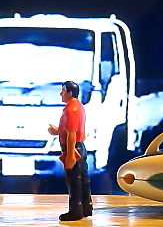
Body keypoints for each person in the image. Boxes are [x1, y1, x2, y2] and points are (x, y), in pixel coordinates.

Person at [47, 81, 92, 221]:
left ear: (70, 93)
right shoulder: (77, 106)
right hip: (78, 146)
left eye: (63, 91)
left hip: (73, 147)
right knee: (82, 179)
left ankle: (76, 210)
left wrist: (70, 154)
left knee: (74, 181)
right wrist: (57, 131)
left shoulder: (71, 109)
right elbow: (69, 130)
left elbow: (72, 134)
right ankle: (86, 206)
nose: (61, 94)